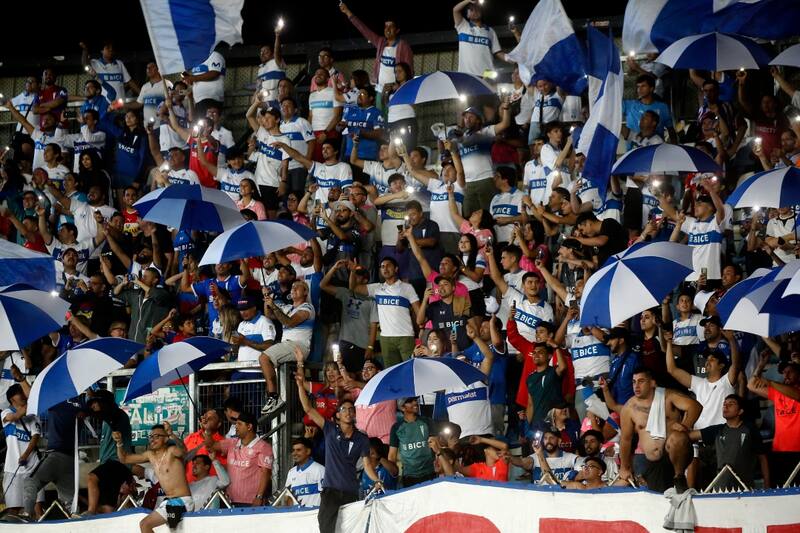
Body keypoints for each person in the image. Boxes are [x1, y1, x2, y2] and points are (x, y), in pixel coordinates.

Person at [295, 368, 380, 533]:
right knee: (325, 527)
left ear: (355, 414)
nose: (348, 413)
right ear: (338, 415)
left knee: (351, 529)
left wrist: (377, 480)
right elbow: (308, 409)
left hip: (351, 491)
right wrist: (300, 385)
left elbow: (367, 465)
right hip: (331, 492)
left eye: (351, 410)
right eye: (344, 410)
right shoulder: (330, 429)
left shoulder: (362, 439)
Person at [618, 368, 703, 492]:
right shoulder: (629, 408)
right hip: (652, 460)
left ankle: (679, 476)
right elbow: (626, 440)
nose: (636, 386)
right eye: (634, 382)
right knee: (659, 500)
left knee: (678, 438)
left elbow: (695, 406)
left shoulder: (668, 397)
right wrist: (624, 467)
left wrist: (685, 425)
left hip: (675, 454)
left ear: (652, 383)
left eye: (641, 381)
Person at [113, 423, 193, 533]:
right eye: (151, 436)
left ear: (165, 439)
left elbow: (184, 452)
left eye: (157, 436)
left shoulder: (172, 451)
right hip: (169, 502)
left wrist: (171, 435)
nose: (152, 439)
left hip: (182, 501)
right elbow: (125, 458)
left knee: (145, 524)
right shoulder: (150, 455)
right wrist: (119, 443)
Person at [689, 394, 770, 490]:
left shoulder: (750, 430)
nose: (726, 406)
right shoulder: (718, 430)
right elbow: (689, 436)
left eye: (731, 404)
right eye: (724, 404)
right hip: (721, 488)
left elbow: (762, 458)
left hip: (745, 487)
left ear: (740, 411)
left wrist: (767, 484)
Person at [260, 280, 315, 415]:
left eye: (298, 287)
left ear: (306, 292)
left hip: (298, 346)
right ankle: (279, 401)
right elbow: (269, 315)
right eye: (292, 287)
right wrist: (267, 300)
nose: (293, 288)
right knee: (266, 361)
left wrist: (274, 306)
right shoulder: (288, 308)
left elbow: (289, 322)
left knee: (264, 358)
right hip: (287, 344)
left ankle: (273, 397)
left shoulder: (308, 308)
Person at [354, 257, 420, 367]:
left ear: (396, 269)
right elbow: (353, 287)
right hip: (386, 339)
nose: (385, 268)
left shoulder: (407, 288)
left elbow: (419, 312)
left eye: (388, 265)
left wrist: (421, 329)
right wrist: (353, 271)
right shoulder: (377, 288)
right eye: (382, 266)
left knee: (410, 370)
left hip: (405, 336)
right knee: (392, 373)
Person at [747, 360, 800, 487]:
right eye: (783, 373)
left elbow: (797, 395)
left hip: (798, 450)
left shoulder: (794, 391)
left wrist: (770, 382)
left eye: (789, 372)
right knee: (780, 489)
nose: (785, 375)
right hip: (779, 450)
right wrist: (760, 365)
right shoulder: (778, 393)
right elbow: (751, 385)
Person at [204, 411, 273, 507]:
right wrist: (207, 430)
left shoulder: (263, 447)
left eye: (239, 424)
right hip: (228, 501)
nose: (236, 426)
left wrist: (259, 497)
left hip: (250, 502)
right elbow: (210, 446)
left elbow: (265, 473)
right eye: (236, 424)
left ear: (249, 427)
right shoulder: (231, 443)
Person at [339, 2, 414, 91]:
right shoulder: (380, 42)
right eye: (386, 26)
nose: (388, 29)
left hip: (396, 89)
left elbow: (409, 69)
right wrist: (348, 12)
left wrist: (402, 86)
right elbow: (364, 30)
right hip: (380, 88)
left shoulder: (403, 46)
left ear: (397, 30)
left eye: (391, 26)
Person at [85, 390, 134, 515]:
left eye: (95, 403)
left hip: (116, 462)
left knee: (92, 478)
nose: (93, 406)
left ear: (104, 403)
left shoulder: (117, 415)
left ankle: (90, 512)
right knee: (106, 507)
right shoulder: (107, 418)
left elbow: (110, 414)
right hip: (110, 464)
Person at [2, 384, 44, 516]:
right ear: (11, 399)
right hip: (12, 467)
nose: (22, 395)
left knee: (36, 507)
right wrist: (31, 402)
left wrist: (25, 455)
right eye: (19, 393)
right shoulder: (5, 413)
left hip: (32, 467)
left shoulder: (33, 416)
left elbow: (35, 437)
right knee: (13, 509)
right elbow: (14, 417)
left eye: (23, 393)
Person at [452, 0, 509, 76]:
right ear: (467, 15)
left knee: (492, 87)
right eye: (471, 10)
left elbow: (498, 52)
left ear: (481, 12)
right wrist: (469, 0)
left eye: (477, 9)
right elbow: (455, 10)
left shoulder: (490, 31)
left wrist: (513, 60)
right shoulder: (463, 26)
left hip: (488, 74)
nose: (475, 11)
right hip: (467, 74)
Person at [389, 397, 435, 487]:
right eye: (410, 401)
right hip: (409, 476)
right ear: (402, 408)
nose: (415, 402)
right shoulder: (396, 427)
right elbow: (392, 456)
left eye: (415, 400)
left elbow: (436, 446)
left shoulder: (427, 421)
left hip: (429, 473)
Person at [511, 429, 579, 484]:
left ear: (559, 441)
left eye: (551, 438)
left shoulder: (570, 457)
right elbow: (521, 461)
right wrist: (510, 457)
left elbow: (583, 461)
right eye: (545, 438)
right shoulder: (535, 456)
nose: (548, 441)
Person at [284, 437, 326, 507]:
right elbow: (288, 497)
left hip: (313, 515)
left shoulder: (320, 470)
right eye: (293, 450)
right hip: (296, 516)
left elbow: (327, 496)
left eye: (298, 450)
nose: (294, 453)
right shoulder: (291, 472)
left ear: (308, 451)